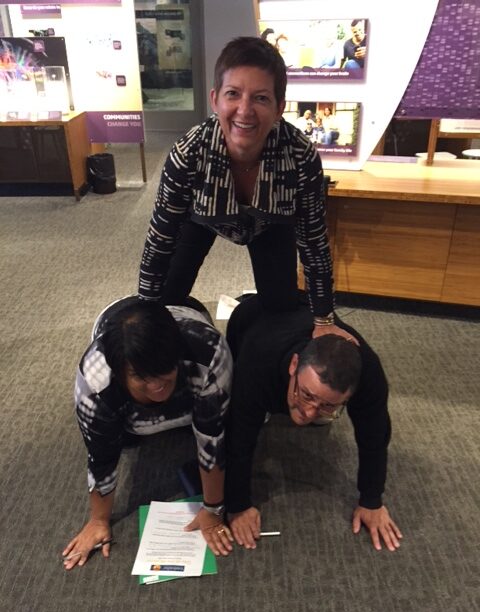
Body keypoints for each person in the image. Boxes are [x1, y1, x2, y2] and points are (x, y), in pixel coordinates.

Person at [138, 36, 355, 344]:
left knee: (281, 307)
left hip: (270, 224)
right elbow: (159, 239)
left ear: (280, 107)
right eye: (233, 94)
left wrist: (323, 319)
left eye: (261, 98)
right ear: (215, 100)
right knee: (166, 296)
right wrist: (147, 313)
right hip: (200, 217)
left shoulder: (300, 156)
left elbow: (313, 243)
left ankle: (250, 330)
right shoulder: (188, 153)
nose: (244, 110)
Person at [63, 296, 234, 570]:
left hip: (187, 311)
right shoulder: (95, 384)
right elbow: (101, 457)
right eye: (142, 376)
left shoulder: (209, 352)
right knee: (127, 440)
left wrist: (213, 510)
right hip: (114, 324)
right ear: (119, 373)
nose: (157, 385)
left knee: (215, 422)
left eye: (164, 371)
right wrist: (98, 521)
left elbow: (212, 439)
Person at [224, 294, 402, 552]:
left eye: (328, 404)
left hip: (301, 325)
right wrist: (238, 505)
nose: (308, 412)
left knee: (314, 414)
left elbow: (374, 437)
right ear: (294, 365)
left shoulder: (369, 373)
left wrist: (371, 500)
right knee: (242, 411)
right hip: (253, 317)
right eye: (306, 395)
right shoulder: (257, 362)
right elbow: (238, 438)